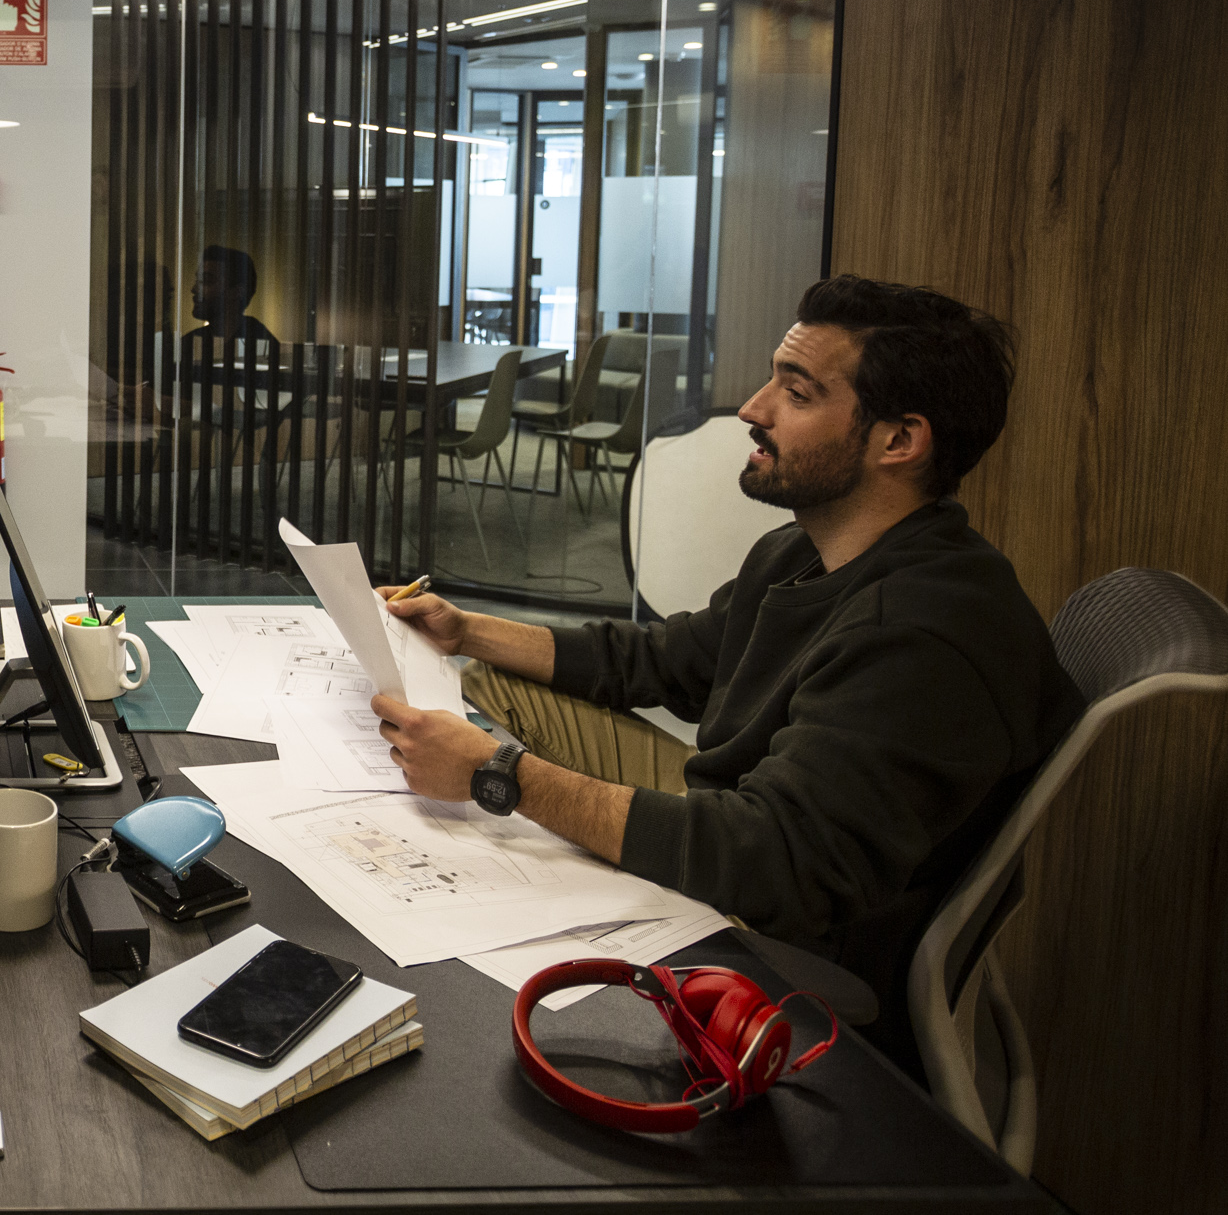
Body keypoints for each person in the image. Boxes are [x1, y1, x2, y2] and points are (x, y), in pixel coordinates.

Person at [369, 276, 1082, 1072]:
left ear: (898, 441)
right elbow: (662, 660)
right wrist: (466, 629)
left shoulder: (926, 633)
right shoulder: (807, 550)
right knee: (487, 682)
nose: (753, 407)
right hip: (737, 821)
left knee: (495, 769)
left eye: (796, 391)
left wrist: (502, 777)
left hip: (773, 942)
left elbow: (775, 863)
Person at [184, 244, 277, 345]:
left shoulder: (262, 345)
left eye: (206, 280)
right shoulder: (191, 341)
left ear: (237, 292)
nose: (194, 289)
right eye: (198, 281)